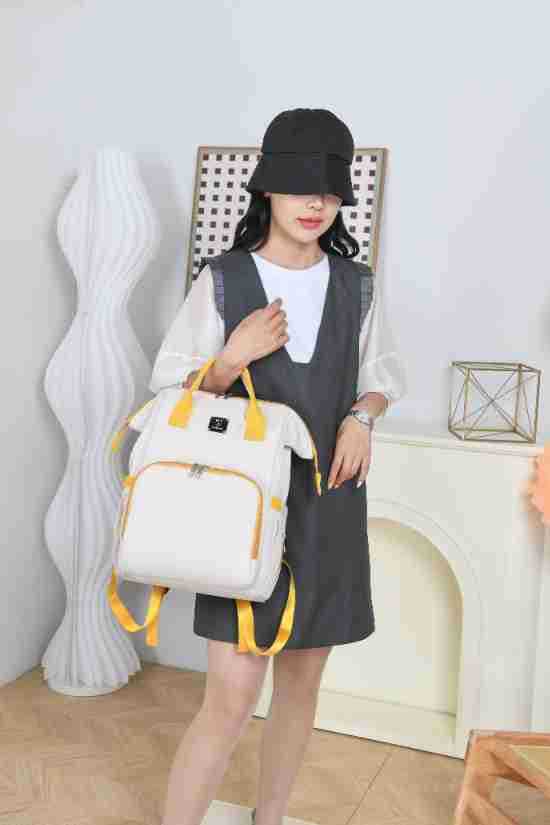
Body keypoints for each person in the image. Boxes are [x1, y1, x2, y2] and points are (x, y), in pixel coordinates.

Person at [150, 108, 407, 825]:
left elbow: (381, 377)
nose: (315, 203)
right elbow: (170, 393)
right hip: (241, 511)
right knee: (230, 698)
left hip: (329, 504)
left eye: (328, 190)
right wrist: (230, 358)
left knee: (300, 688)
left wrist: (362, 416)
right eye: (299, 187)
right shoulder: (225, 279)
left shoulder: (356, 285)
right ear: (267, 189)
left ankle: (270, 817)